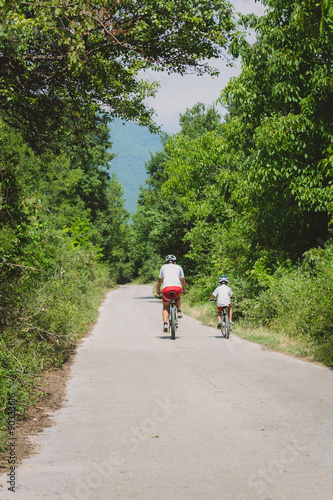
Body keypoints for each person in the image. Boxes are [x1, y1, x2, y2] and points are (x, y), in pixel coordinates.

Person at [156, 255, 187, 332]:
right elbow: (183, 280)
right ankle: (179, 311)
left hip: (166, 289)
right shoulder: (179, 267)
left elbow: (160, 280)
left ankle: (165, 324)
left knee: (166, 307)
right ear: (175, 262)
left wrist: (158, 290)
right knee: (178, 297)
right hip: (177, 288)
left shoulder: (163, 267)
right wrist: (184, 289)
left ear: (166, 262)